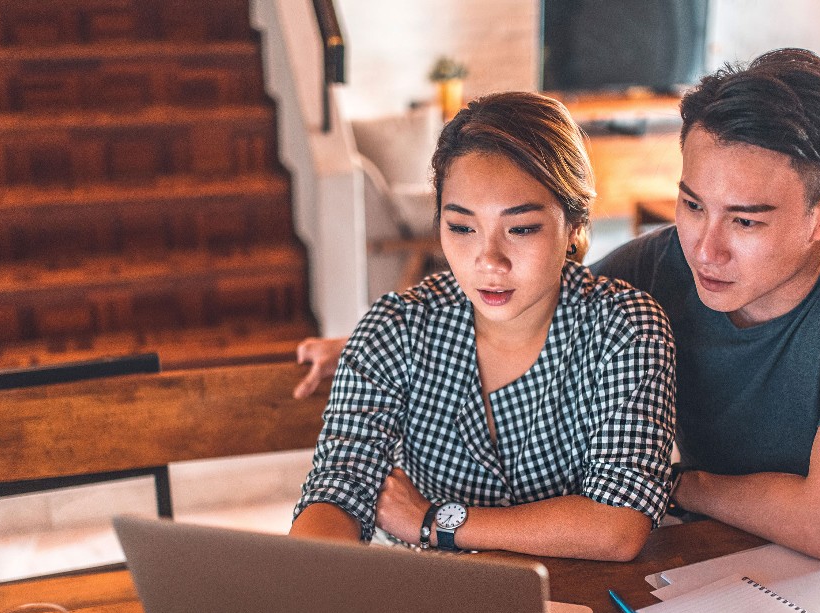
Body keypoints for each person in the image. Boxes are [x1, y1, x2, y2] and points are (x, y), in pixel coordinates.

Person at [294, 50, 820, 565]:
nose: (706, 248)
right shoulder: (658, 266)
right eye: (692, 204)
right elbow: (524, 297)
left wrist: (672, 485)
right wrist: (362, 344)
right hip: (703, 555)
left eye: (746, 222)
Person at [289, 92, 677, 561]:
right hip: (432, 600)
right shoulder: (394, 329)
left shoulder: (625, 329)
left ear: (575, 223)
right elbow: (339, 488)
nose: (488, 261)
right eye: (462, 227)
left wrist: (435, 521)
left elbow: (618, 525)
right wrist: (306, 581)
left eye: (522, 228)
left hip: (581, 599)